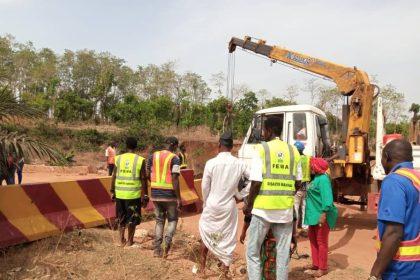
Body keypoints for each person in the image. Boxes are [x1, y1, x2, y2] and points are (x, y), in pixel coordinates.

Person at [244, 116, 301, 280]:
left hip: (263, 210)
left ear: (268, 130)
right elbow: (298, 183)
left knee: (252, 252)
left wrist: (249, 206)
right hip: (285, 211)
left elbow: (255, 182)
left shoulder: (262, 149)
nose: (263, 133)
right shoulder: (293, 151)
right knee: (282, 256)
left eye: (263, 130)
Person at [198, 131, 249, 278]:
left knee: (206, 233)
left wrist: (206, 203)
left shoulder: (211, 163)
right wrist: (241, 195)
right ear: (232, 147)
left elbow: (205, 187)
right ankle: (224, 273)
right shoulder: (239, 163)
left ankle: (202, 269)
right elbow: (254, 179)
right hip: (228, 206)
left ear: (219, 145)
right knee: (227, 238)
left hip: (212, 204)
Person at [369, 139, 420, 280]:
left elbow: (394, 233)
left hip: (401, 269)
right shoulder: (416, 179)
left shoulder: (394, 181)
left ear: (387, 156)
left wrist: (375, 272)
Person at [110, 137, 148, 247]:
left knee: (121, 217)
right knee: (132, 218)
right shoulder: (140, 160)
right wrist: (145, 195)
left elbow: (114, 175)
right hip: (133, 195)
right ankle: (130, 241)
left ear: (126, 146)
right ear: (136, 146)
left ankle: (121, 240)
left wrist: (112, 190)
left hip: (120, 194)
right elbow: (143, 179)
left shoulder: (119, 158)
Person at [304, 157, 338, 278]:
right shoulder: (316, 178)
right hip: (313, 215)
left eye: (311, 166)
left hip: (320, 215)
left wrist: (323, 214)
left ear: (316, 167)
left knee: (321, 241)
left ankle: (322, 268)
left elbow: (327, 198)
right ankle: (315, 264)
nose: (310, 167)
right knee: (313, 240)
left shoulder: (323, 179)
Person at [148, 136, 182, 258]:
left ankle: (157, 250)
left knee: (159, 221)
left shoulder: (153, 156)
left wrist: (155, 185)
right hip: (170, 196)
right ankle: (165, 247)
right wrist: (179, 198)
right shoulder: (175, 158)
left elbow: (148, 174)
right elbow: (174, 178)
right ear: (174, 145)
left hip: (156, 194)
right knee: (172, 220)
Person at [294, 141, 311, 235]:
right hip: (307, 186)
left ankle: (295, 228)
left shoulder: (295, 159)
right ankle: (305, 228)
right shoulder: (308, 158)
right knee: (305, 208)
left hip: (298, 187)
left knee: (295, 207)